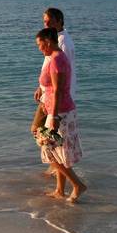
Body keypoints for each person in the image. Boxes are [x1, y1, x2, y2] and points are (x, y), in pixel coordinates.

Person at [34, 27, 86, 202]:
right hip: (58, 110)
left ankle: (78, 185)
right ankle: (59, 190)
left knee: (49, 152)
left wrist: (54, 116)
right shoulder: (55, 57)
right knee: (58, 152)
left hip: (59, 112)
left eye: (40, 45)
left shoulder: (56, 60)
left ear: (48, 42)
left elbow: (57, 91)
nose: (39, 48)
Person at [31, 7, 76, 133]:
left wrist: (55, 114)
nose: (46, 24)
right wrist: (41, 86)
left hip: (57, 101)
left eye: (49, 21)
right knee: (41, 133)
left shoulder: (63, 43)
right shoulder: (55, 40)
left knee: (43, 133)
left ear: (59, 21)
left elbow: (61, 76)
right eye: (44, 21)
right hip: (49, 97)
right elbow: (49, 68)